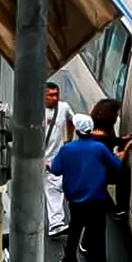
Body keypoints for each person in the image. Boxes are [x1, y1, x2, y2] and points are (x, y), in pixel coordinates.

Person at [51, 114, 131, 262]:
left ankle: (69, 259)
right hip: (97, 199)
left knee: (74, 231)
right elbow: (117, 165)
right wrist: (124, 151)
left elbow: (56, 170)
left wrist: (49, 164)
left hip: (76, 201)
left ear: (76, 129)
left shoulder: (67, 149)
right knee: (98, 234)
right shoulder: (99, 148)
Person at [44, 82, 74, 237]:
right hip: (35, 158)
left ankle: (56, 223)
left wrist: (69, 140)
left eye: (57, 94)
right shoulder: (35, 110)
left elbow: (73, 121)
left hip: (54, 158)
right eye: (51, 95)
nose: (55, 98)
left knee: (53, 188)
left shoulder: (64, 108)